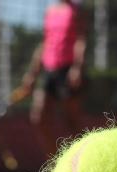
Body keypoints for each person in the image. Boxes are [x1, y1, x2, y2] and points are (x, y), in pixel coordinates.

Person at [20, 0, 87, 156]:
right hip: (49, 70)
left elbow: (81, 39)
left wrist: (77, 68)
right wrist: (32, 73)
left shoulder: (77, 9)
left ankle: (83, 157)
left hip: (68, 69)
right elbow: (46, 42)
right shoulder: (50, 11)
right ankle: (54, 161)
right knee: (38, 117)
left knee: (72, 121)